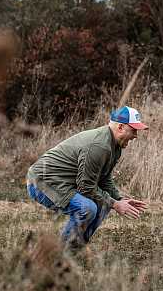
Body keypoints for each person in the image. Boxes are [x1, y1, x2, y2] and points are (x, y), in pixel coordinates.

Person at [26, 105, 149, 249]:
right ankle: (60, 254)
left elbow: (104, 179)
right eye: (134, 130)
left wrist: (119, 199)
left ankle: (74, 249)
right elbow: (86, 187)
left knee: (103, 204)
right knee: (87, 207)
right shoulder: (99, 146)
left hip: (63, 183)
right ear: (121, 127)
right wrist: (115, 204)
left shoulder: (115, 145)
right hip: (41, 182)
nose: (135, 136)